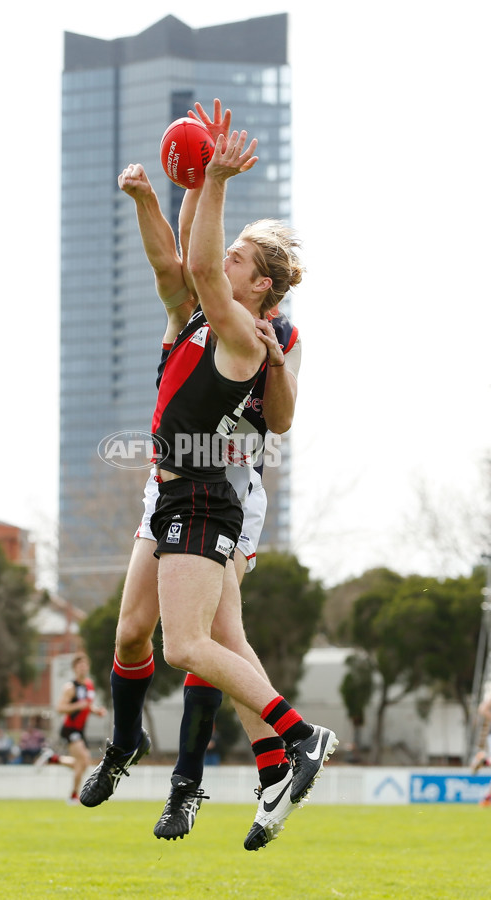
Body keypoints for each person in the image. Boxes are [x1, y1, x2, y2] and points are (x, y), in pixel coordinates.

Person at [81, 101, 335, 850]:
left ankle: (256, 757)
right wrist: (173, 187)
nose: (222, 260)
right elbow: (183, 261)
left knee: (201, 642)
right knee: (143, 634)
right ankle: (236, 759)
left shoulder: (253, 333)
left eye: (239, 261)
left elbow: (279, 419)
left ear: (261, 289)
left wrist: (213, 180)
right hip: (173, 483)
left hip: (216, 485)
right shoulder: (195, 313)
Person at [36, 651, 107, 804]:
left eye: (85, 665)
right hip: (70, 729)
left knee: (83, 763)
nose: (83, 668)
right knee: (82, 760)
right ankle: (73, 795)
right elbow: (60, 707)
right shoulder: (70, 687)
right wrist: (77, 705)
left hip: (81, 730)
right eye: (79, 665)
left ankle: (53, 759)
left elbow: (87, 705)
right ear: (74, 668)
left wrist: (96, 711)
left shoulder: (89, 685)